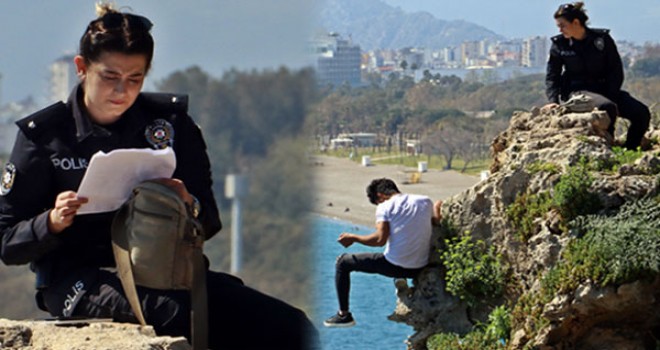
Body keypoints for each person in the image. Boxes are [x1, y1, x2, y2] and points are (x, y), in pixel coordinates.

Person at [0, 4, 317, 349]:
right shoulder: (44, 136)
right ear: (82, 68)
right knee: (177, 317)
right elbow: (6, 241)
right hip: (78, 279)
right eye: (109, 77)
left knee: (291, 326)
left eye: (134, 79)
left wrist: (188, 204)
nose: (122, 91)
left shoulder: (170, 125)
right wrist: (51, 221)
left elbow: (209, 218)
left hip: (164, 272)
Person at [323, 178, 440, 327]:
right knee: (399, 243)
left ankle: (343, 315)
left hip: (394, 266)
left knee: (343, 262)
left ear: (380, 196)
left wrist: (353, 238)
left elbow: (379, 240)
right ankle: (400, 280)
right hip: (420, 266)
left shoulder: (384, 207)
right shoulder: (425, 201)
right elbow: (436, 221)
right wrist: (438, 205)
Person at [544, 2, 650, 150]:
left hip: (605, 89)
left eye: (563, 25)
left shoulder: (601, 40)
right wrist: (553, 100)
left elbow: (615, 70)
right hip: (578, 92)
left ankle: (630, 149)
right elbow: (552, 75)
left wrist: (612, 94)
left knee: (641, 113)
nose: (560, 30)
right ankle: (608, 148)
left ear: (576, 22)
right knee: (606, 107)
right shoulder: (560, 44)